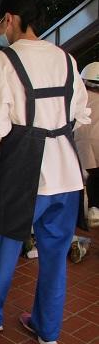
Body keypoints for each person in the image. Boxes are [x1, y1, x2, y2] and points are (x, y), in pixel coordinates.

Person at [0, 0, 90, 344]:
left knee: (5, 243)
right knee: (55, 256)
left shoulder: (3, 60)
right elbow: (81, 116)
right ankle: (48, 329)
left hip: (26, 168)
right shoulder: (67, 59)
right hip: (68, 171)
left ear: (8, 19)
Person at [74, 62, 99, 227]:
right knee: (97, 176)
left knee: (79, 178)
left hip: (80, 140)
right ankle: (94, 208)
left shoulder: (77, 96)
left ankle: (87, 213)